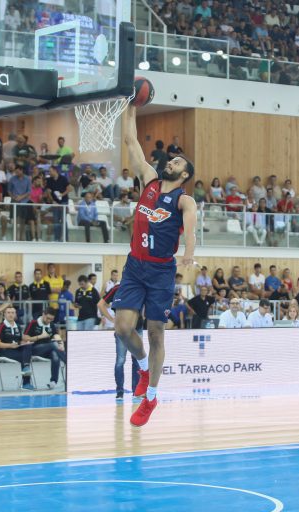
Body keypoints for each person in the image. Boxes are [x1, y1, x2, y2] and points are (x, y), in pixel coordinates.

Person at [113, 106, 197, 427]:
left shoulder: (183, 201)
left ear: (185, 175)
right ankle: (144, 366)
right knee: (122, 328)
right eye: (171, 159)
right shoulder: (148, 180)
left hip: (161, 271)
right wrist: (129, 107)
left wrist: (188, 253)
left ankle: (150, 397)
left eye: (177, 161)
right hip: (135, 266)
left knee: (156, 333)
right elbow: (130, 140)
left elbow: (190, 230)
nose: (171, 161)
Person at [0, 305, 36, 390]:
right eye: (8, 313)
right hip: (5, 351)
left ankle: (26, 374)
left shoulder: (18, 326)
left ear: (15, 314)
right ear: (4, 314)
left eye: (12, 313)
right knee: (25, 358)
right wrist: (10, 345)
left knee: (28, 347)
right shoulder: (1, 326)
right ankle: (26, 383)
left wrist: (25, 342)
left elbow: (20, 340)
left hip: (17, 349)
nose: (10, 315)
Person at [24, 308, 67, 390]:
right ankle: (67, 361)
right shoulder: (33, 323)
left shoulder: (51, 324)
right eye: (47, 318)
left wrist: (61, 344)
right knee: (53, 344)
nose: (49, 320)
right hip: (34, 349)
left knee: (55, 355)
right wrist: (40, 337)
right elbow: (25, 338)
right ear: (43, 314)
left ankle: (53, 381)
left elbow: (56, 335)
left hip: (47, 349)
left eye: (51, 319)